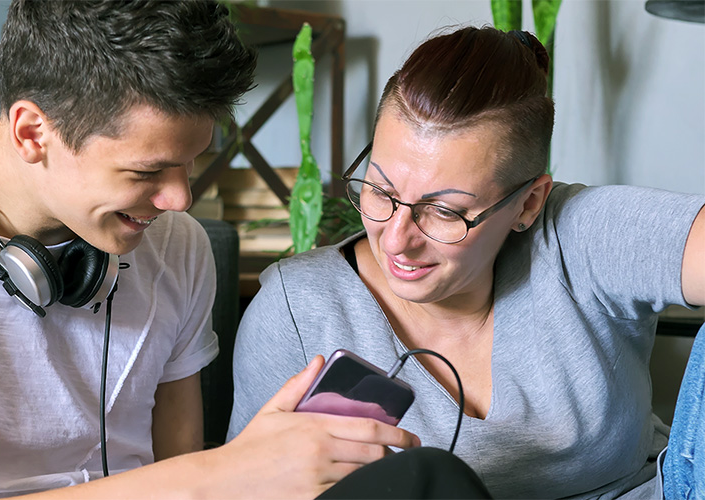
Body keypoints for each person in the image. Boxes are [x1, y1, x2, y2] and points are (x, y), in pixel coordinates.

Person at [0, 1, 434, 498]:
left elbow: (178, 470)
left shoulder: (177, 247)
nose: (179, 200)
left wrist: (250, 475)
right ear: (34, 132)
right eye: (148, 172)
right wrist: (221, 473)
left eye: (192, 163)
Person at [227, 26, 705, 499]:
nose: (396, 240)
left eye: (445, 211)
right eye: (380, 190)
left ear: (528, 204)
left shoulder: (578, 235)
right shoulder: (296, 309)